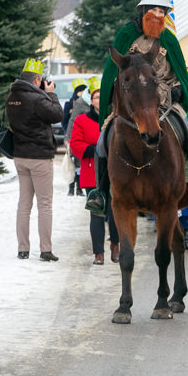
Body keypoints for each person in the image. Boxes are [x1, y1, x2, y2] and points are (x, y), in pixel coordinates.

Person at [86, 0, 188, 216]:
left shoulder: (169, 40)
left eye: (163, 11)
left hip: (164, 102)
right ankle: (100, 193)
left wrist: (177, 91)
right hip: (131, 103)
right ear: (143, 12)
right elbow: (112, 75)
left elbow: (179, 74)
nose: (159, 15)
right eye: (155, 10)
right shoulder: (125, 36)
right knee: (104, 138)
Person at [6, 58, 63, 261]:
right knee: (44, 204)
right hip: (39, 157)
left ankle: (23, 249)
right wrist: (51, 94)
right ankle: (45, 250)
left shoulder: (12, 96)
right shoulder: (38, 99)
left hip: (20, 156)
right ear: (37, 80)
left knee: (24, 204)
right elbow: (57, 114)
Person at [69, 80, 119, 265]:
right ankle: (98, 253)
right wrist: (95, 150)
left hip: (114, 172)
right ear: (91, 100)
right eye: (96, 97)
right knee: (96, 212)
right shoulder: (82, 119)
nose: (99, 99)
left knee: (114, 212)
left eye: (102, 96)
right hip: (92, 171)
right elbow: (75, 144)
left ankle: (115, 245)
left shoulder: (115, 118)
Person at [62, 77, 87, 196]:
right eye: (80, 90)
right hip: (71, 136)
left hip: (83, 137)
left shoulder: (87, 103)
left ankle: (79, 188)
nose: (81, 93)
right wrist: (68, 135)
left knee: (80, 164)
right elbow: (66, 121)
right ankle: (71, 187)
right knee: (71, 162)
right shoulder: (69, 104)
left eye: (83, 90)